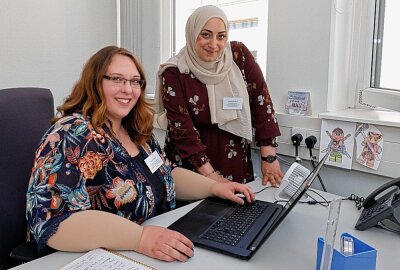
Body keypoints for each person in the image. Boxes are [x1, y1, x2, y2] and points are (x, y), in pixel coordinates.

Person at [26, 45, 255, 262]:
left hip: (153, 245)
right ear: (94, 82)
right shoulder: (70, 135)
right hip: (99, 256)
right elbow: (51, 223)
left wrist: (214, 187)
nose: (128, 89)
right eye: (117, 79)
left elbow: (166, 173)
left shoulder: (135, 129)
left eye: (135, 81)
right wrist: (140, 238)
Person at [156, 5, 283, 186]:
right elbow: (181, 129)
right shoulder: (175, 72)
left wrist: (269, 158)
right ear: (192, 33)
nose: (214, 44)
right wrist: (212, 178)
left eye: (221, 36)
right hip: (192, 164)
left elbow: (261, 102)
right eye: (205, 34)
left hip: (234, 160)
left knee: (238, 212)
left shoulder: (239, 56)